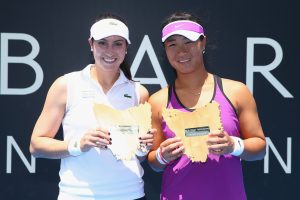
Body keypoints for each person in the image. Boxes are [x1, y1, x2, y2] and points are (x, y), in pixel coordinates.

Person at [30, 13, 154, 200]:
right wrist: (78, 145)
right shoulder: (66, 85)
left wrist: (143, 147)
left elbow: (140, 155)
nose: (110, 51)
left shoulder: (139, 92)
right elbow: (36, 145)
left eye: (117, 43)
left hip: (131, 194)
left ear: (126, 47)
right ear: (91, 44)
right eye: (102, 42)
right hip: (77, 195)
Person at [147, 11, 266, 200]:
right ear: (165, 50)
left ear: (202, 43)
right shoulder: (157, 101)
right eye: (173, 44)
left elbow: (260, 147)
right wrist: (162, 156)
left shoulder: (236, 91)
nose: (181, 51)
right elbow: (153, 161)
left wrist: (233, 145)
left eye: (188, 42)